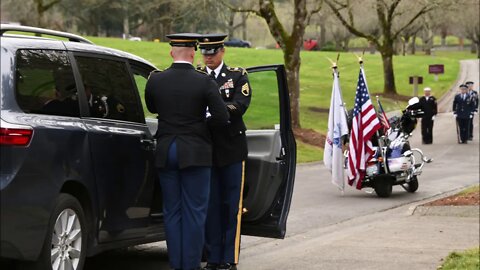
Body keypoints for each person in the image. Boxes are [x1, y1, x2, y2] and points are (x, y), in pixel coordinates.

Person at [145, 33, 229, 270]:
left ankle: (176, 265)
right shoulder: (203, 81)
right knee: (194, 212)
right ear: (193, 53)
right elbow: (221, 117)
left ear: (172, 52)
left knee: (172, 210)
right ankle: (190, 266)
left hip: (166, 149)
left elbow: (152, 107)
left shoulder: (156, 80)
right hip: (195, 151)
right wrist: (200, 127)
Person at [198, 34, 252, 270]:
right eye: (205, 53)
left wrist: (213, 111)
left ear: (222, 52)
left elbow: (239, 106)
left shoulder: (237, 75)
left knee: (231, 205)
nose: (208, 57)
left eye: (212, 52)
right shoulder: (198, 77)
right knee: (211, 205)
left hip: (231, 147)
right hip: (207, 147)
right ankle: (212, 257)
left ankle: (229, 257)